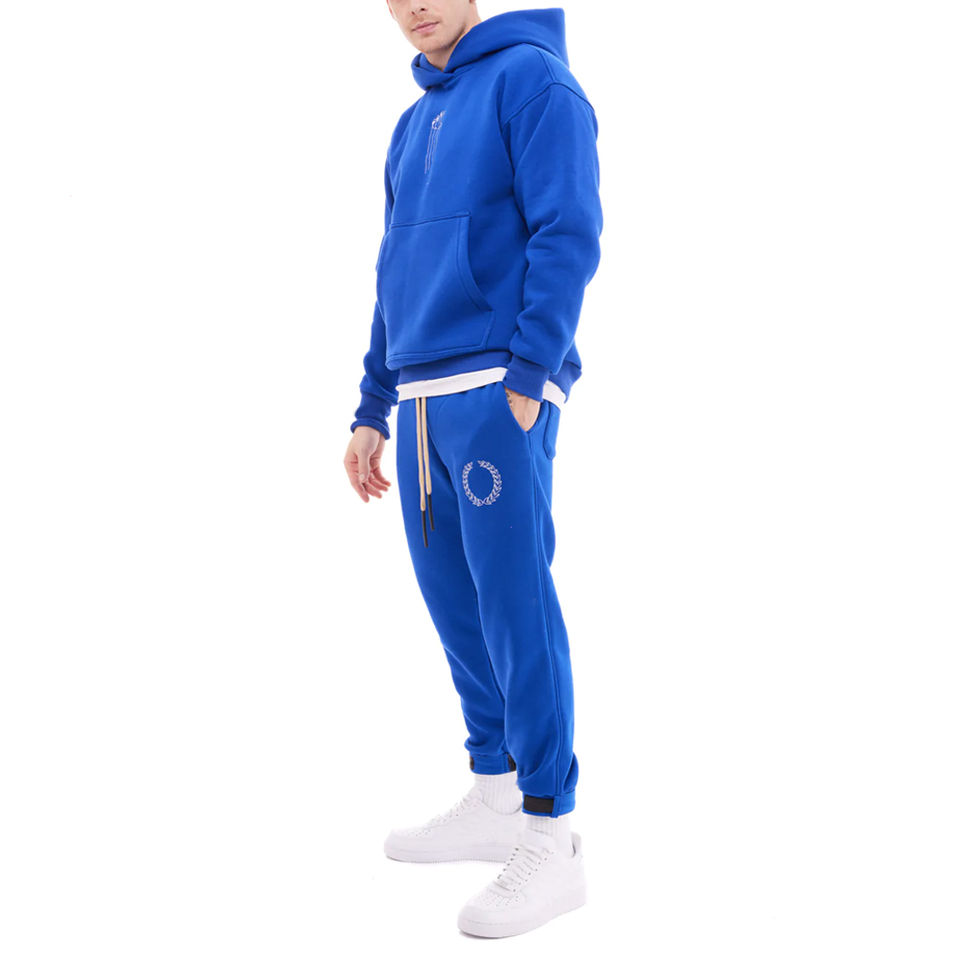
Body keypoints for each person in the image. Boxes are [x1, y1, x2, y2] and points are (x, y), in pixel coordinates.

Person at [343, 1, 602, 938]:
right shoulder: (411, 122)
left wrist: (530, 374)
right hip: (418, 397)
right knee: (456, 605)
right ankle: (494, 790)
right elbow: (394, 270)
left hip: (497, 386)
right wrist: (372, 404)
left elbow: (569, 231)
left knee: (515, 604)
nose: (415, 5)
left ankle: (550, 831)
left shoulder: (534, 81)